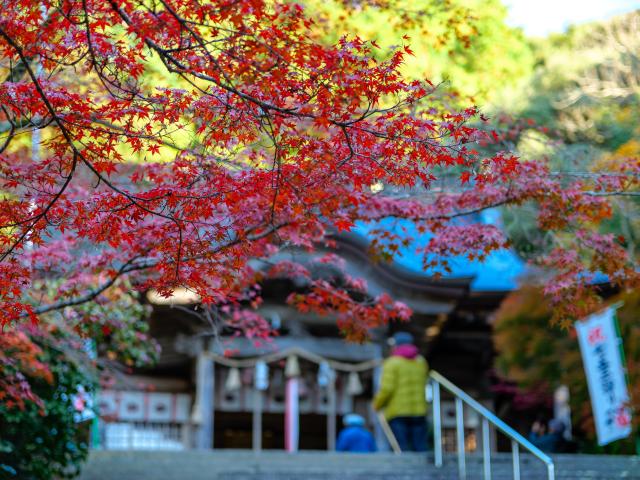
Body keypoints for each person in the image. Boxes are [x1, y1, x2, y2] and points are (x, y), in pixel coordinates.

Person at [373, 331, 428, 452]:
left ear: (396, 345)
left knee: (402, 447)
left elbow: (387, 388)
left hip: (398, 412)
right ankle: (423, 471)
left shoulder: (392, 362)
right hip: (419, 411)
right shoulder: (421, 361)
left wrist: (377, 404)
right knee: (420, 446)